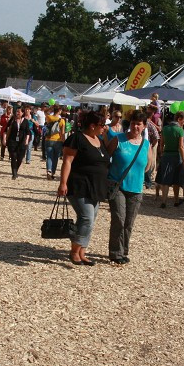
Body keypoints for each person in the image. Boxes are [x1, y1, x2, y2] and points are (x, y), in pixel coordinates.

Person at [57, 111, 110, 266]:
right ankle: (74, 251)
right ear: (92, 125)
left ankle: (82, 251)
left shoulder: (98, 139)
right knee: (86, 217)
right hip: (79, 184)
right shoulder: (76, 138)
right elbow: (67, 161)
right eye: (102, 125)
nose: (104, 128)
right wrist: (63, 183)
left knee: (90, 220)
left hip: (96, 186)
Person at [106, 111, 149, 264]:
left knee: (129, 223)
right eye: (133, 123)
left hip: (136, 188)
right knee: (119, 218)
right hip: (118, 186)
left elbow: (148, 165)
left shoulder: (146, 144)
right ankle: (115, 253)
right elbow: (106, 158)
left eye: (138, 124)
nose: (135, 126)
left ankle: (124, 250)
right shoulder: (118, 139)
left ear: (144, 126)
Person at [156, 112, 184, 208]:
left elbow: (161, 144)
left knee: (165, 179)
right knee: (176, 180)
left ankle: (164, 201)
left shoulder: (165, 129)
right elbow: (181, 146)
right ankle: (176, 200)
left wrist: (161, 153)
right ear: (179, 119)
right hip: (176, 156)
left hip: (166, 155)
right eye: (183, 120)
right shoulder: (180, 130)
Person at [5, 107, 32, 180]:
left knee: (20, 158)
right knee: (13, 157)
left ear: (22, 113)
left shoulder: (25, 121)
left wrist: (26, 141)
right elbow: (6, 129)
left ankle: (15, 169)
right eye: (17, 111)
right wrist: (4, 139)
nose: (17, 113)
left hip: (22, 142)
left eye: (19, 112)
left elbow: (28, 132)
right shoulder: (12, 120)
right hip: (12, 141)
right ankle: (14, 173)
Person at [43, 107, 66, 180]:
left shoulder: (49, 118)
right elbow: (62, 133)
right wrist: (64, 142)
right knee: (55, 158)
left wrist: (51, 107)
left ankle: (48, 171)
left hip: (49, 139)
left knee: (49, 156)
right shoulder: (62, 121)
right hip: (58, 140)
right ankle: (53, 173)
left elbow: (45, 111)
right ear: (59, 111)